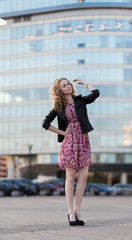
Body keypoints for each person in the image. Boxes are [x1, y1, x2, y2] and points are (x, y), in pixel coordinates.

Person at [42, 78, 100, 226]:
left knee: (84, 175)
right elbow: (45, 123)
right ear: (59, 90)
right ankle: (70, 211)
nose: (67, 87)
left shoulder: (80, 100)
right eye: (64, 86)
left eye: (68, 84)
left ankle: (77, 209)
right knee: (70, 175)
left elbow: (95, 93)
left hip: (83, 139)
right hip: (69, 142)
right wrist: (62, 132)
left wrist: (86, 84)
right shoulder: (58, 106)